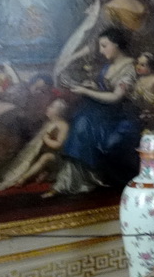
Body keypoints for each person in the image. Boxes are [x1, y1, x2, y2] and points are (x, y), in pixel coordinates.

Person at [49, 27, 141, 195]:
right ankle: (74, 179)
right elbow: (104, 89)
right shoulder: (108, 67)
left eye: (104, 45)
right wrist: (92, 86)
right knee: (82, 119)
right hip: (105, 113)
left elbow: (115, 97)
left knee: (84, 120)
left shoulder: (129, 68)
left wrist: (86, 91)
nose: (101, 50)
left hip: (121, 117)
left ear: (116, 45)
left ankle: (78, 179)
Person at [0, 98, 70, 190]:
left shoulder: (63, 125)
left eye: (52, 107)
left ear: (59, 112)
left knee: (46, 157)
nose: (48, 108)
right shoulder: (48, 123)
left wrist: (45, 139)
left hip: (59, 157)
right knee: (29, 158)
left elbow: (59, 145)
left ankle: (24, 178)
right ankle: (45, 173)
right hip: (43, 152)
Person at [133, 50, 154, 129]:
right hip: (140, 111)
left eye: (142, 65)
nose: (138, 67)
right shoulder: (138, 81)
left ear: (150, 67)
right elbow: (135, 96)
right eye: (137, 63)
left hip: (152, 112)